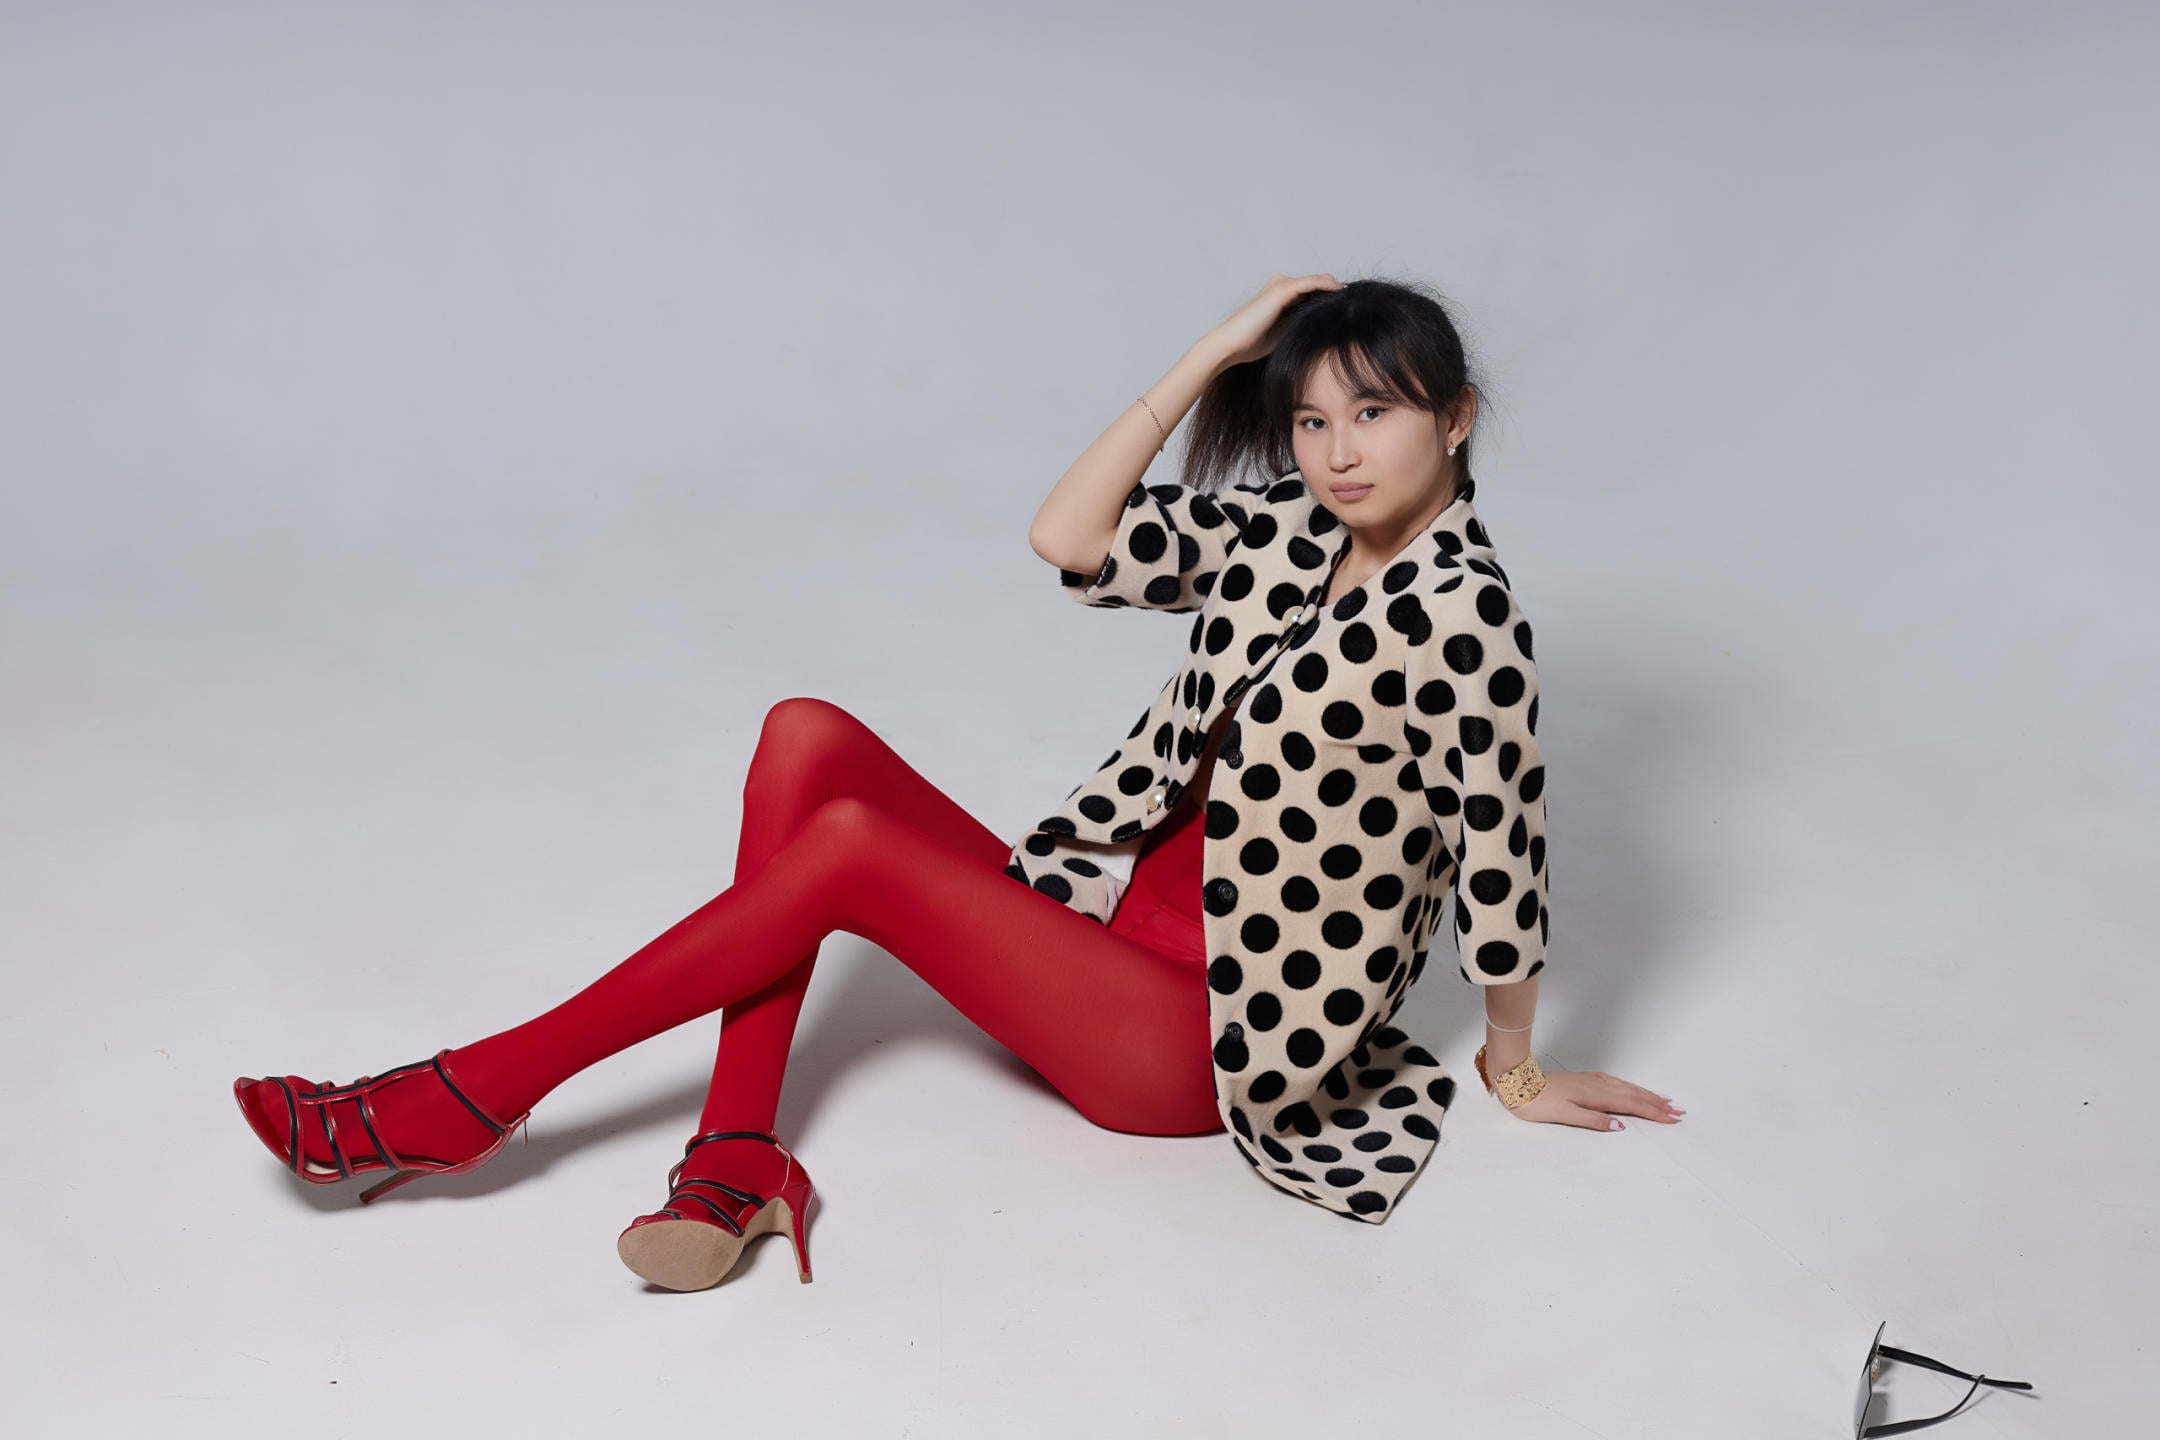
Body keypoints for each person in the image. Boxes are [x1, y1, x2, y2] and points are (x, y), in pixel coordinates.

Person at [232, 273, 1681, 1291]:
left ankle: (470, 1094)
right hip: (1108, 942)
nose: (1338, 452)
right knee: (806, 734)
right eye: (1310, 418)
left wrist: (1514, 1064)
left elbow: (1503, 851)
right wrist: (1212, 352)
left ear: (1457, 416)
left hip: (1200, 1041)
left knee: (850, 851)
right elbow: (1069, 536)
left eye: (1373, 415)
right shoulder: (1289, 536)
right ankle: (737, 1153)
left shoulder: (1465, 619)